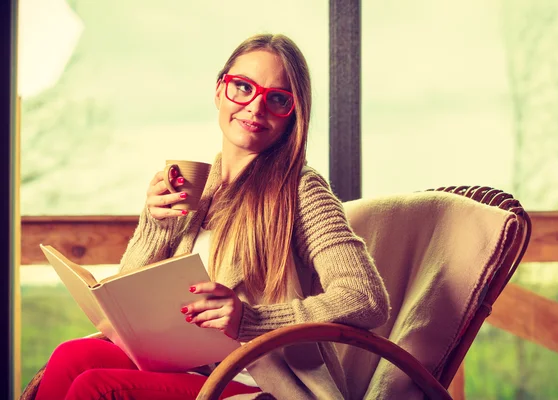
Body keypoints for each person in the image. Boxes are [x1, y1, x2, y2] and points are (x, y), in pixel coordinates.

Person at [33, 33, 391, 400]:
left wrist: (251, 320)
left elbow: (365, 297)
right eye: (242, 87)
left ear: (293, 115)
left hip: (259, 386)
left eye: (278, 99)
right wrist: (157, 227)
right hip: (183, 366)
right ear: (220, 90)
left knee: (97, 388)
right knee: (71, 356)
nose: (255, 107)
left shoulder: (301, 189)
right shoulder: (200, 186)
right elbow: (126, 303)